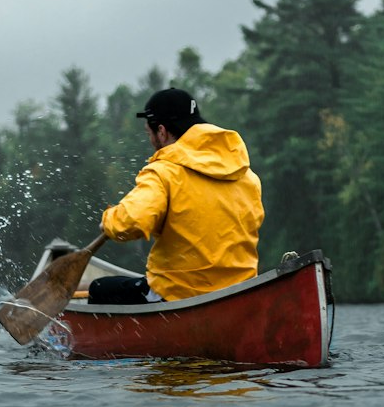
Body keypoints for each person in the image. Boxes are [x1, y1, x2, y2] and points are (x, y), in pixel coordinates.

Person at [88, 88, 264, 304]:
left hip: (179, 295)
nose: (151, 140)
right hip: (240, 293)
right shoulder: (248, 177)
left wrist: (108, 222)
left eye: (149, 133)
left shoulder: (163, 173)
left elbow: (129, 223)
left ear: (161, 132)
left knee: (99, 289)